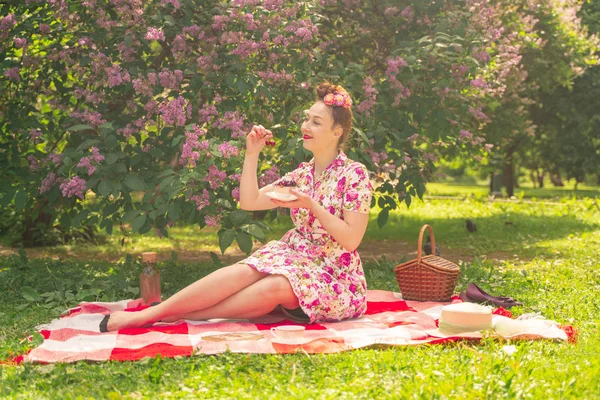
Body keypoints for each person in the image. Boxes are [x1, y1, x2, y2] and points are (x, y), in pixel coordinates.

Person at [99, 82, 373, 332]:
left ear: (337, 132)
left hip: (335, 277)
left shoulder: (354, 174)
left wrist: (312, 205)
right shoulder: (302, 174)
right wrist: (252, 154)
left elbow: (350, 240)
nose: (305, 126)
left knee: (276, 285)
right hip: (296, 257)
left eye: (315, 122)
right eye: (306, 118)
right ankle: (157, 313)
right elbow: (250, 201)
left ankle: (161, 316)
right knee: (244, 270)